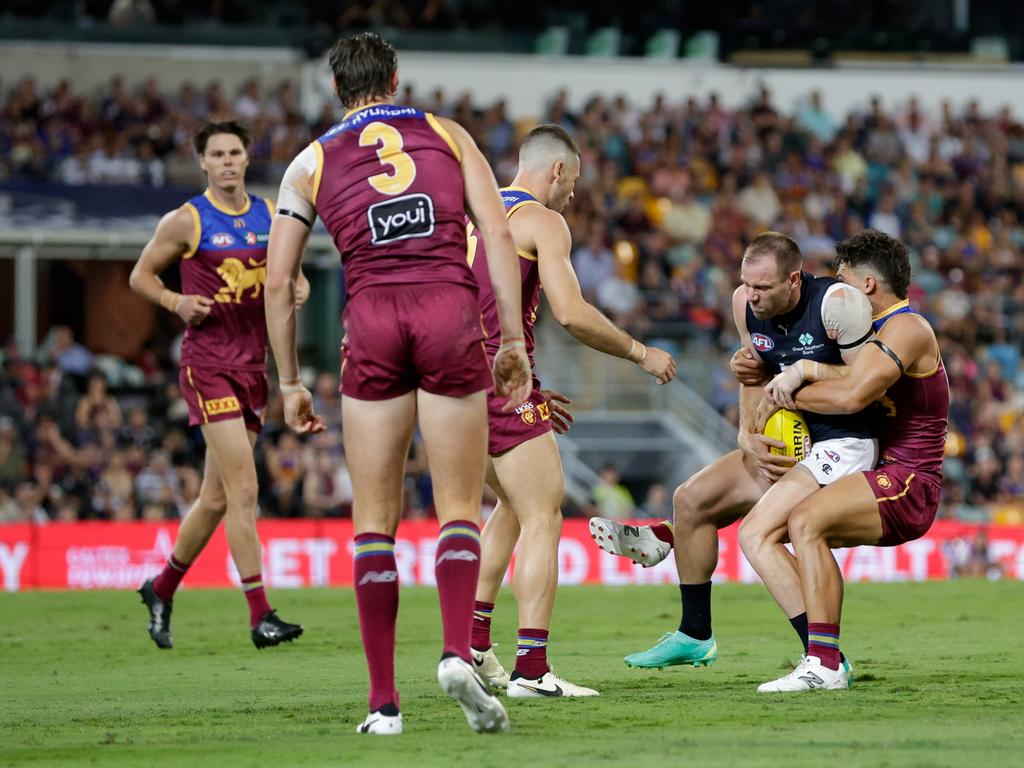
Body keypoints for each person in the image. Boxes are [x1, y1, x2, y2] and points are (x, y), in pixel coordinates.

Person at [263, 32, 532, 736]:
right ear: (395, 77)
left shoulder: (311, 160)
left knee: (373, 520)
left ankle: (383, 705)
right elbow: (498, 236)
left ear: (336, 90)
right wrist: (509, 339)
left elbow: (279, 280)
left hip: (373, 319)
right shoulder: (447, 133)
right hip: (448, 308)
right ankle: (453, 653)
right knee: (457, 507)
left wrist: (289, 380)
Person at [590, 232, 874, 672]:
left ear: (794, 280)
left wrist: (801, 373)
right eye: (748, 284)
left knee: (758, 533)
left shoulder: (837, 304)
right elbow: (754, 375)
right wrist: (746, 435)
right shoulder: (744, 302)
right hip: (788, 439)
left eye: (764, 287)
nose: (752, 295)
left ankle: (827, 659)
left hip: (844, 442)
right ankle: (694, 633)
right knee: (692, 500)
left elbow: (866, 382)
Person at [465, 125, 677, 699]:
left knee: (511, 505)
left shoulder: (470, 214)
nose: (574, 196)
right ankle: (532, 670)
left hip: (453, 385)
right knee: (542, 516)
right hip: (500, 380)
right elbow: (573, 312)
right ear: (556, 171)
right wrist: (641, 352)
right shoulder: (539, 220)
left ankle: (473, 644)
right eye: (575, 182)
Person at [130, 119, 309, 651]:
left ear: (247, 159)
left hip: (252, 368)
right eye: (218, 154)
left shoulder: (265, 215)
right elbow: (141, 276)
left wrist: (296, 284)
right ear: (203, 163)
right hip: (207, 366)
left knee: (213, 498)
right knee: (244, 490)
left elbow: (289, 270)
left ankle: (160, 589)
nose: (228, 161)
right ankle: (260, 615)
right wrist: (175, 302)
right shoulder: (186, 221)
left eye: (235, 152)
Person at [750, 229, 948, 691]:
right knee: (777, 525)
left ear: (867, 286)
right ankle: (822, 657)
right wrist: (772, 369)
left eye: (843, 280)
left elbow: (854, 395)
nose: (835, 291)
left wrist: (791, 390)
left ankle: (824, 663)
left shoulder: (908, 328)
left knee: (806, 522)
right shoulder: (870, 334)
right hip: (880, 471)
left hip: (909, 481)